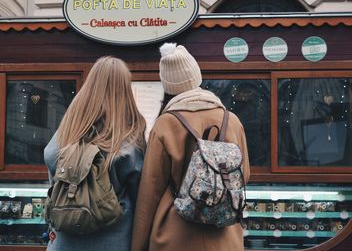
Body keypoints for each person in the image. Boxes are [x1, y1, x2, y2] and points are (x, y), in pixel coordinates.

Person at [132, 43, 250, 251]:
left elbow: (150, 191)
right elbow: (244, 175)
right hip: (225, 237)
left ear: (167, 85)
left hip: (174, 236)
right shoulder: (231, 120)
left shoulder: (165, 123)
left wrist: (137, 244)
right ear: (197, 77)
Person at [44, 56, 146, 251]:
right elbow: (140, 195)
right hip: (114, 242)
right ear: (124, 90)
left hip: (63, 243)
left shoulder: (68, 130)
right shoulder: (128, 135)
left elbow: (51, 163)